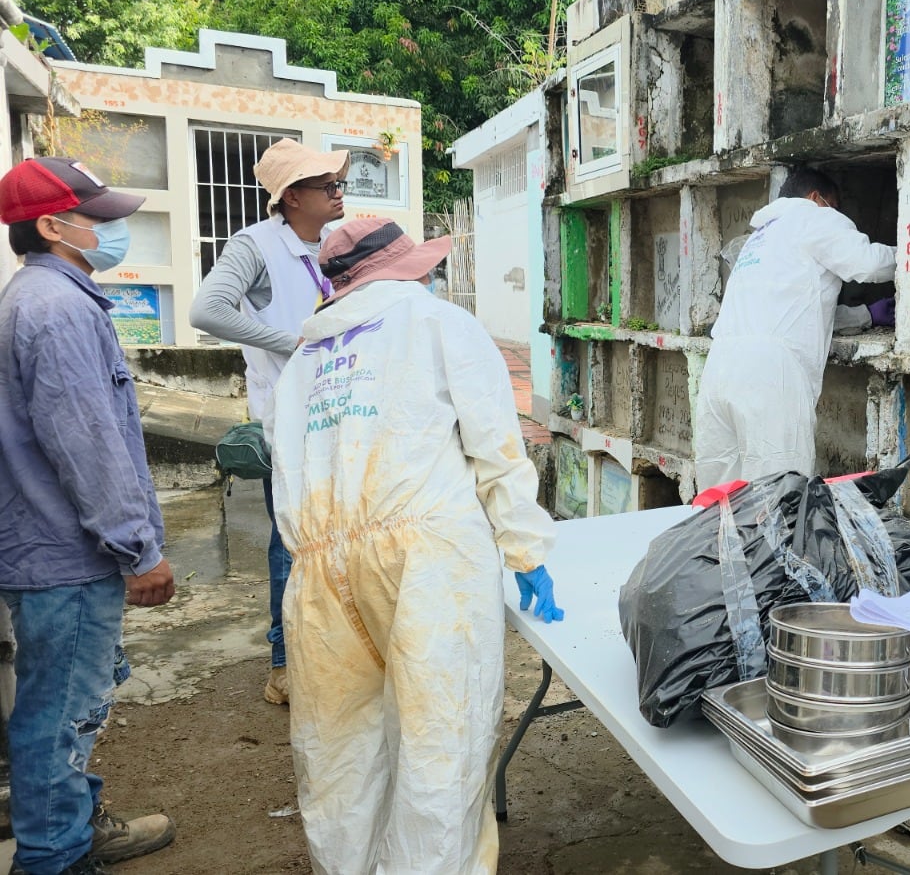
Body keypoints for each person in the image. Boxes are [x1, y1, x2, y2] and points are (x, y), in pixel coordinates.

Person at [265, 218, 559, 874]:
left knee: (338, 750)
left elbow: (285, 475)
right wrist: (525, 549)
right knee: (439, 745)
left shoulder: (302, 361)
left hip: (316, 573)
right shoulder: (438, 324)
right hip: (427, 560)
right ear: (406, 269)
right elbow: (496, 448)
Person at [0, 157, 178, 875]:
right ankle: (54, 858)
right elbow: (88, 443)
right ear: (52, 225)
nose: (113, 229)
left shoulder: (34, 300)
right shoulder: (57, 310)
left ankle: (70, 829)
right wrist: (138, 550)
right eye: (99, 217)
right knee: (59, 717)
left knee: (59, 707)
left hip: (41, 547)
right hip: (64, 556)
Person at [189, 138, 348, 705]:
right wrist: (295, 343)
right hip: (288, 417)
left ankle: (326, 645)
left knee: (338, 533)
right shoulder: (254, 246)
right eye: (325, 185)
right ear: (291, 197)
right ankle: (283, 663)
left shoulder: (333, 242)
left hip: (339, 409)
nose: (337, 192)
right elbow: (207, 311)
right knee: (290, 541)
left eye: (337, 182)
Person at [695, 168, 896, 487]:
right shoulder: (813, 216)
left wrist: (866, 315)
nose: (838, 213)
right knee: (779, 495)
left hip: (719, 370)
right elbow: (868, 263)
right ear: (816, 198)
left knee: (719, 498)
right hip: (770, 375)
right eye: (835, 204)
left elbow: (801, 307)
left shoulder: (758, 239)